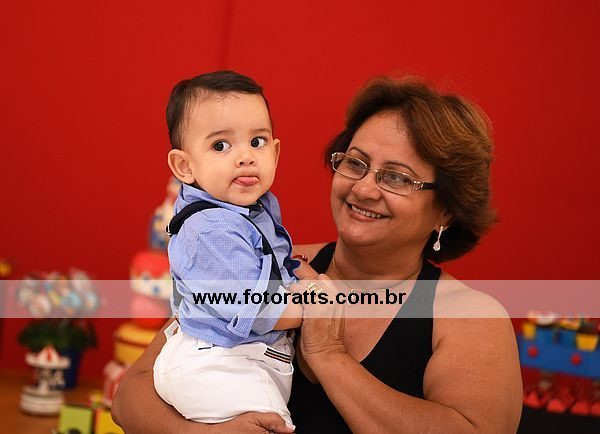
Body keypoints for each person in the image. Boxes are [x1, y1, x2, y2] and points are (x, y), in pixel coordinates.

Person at [113, 76, 522, 433]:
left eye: (397, 178)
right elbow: (131, 393)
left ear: (447, 208)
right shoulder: (266, 262)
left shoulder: (469, 318)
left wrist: (329, 357)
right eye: (356, 164)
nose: (364, 188)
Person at [153, 71, 302, 427]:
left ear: (276, 153)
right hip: (217, 364)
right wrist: (314, 306)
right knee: (269, 425)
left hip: (237, 360)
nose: (246, 157)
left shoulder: (249, 207)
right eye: (221, 146)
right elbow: (258, 310)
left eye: (257, 142)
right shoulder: (212, 229)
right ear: (185, 166)